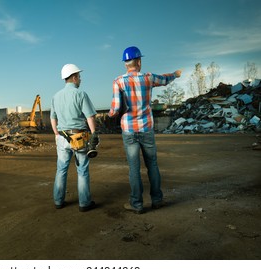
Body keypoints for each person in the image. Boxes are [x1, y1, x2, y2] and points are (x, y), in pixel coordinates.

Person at [108, 46, 182, 214]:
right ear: (139, 62)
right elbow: (165, 79)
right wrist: (176, 74)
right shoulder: (148, 78)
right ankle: (157, 200)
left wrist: (111, 113)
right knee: (152, 165)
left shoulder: (118, 81)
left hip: (129, 131)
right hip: (146, 128)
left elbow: (116, 108)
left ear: (126, 64)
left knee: (134, 168)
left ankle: (137, 204)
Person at [50, 63, 99, 212]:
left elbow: (53, 119)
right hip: (79, 138)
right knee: (82, 170)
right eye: (79, 77)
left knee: (61, 169)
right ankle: (84, 203)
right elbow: (90, 116)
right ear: (74, 77)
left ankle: (58, 201)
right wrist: (94, 133)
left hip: (62, 137)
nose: (80, 79)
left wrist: (56, 134)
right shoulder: (80, 94)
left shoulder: (55, 96)